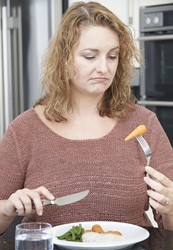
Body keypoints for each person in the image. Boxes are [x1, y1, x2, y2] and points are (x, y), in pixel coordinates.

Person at [0, 1, 173, 235]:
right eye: (90, 56)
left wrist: (171, 208)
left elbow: (168, 225)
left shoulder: (143, 125)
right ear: (64, 59)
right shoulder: (25, 130)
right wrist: (8, 209)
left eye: (112, 56)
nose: (104, 67)